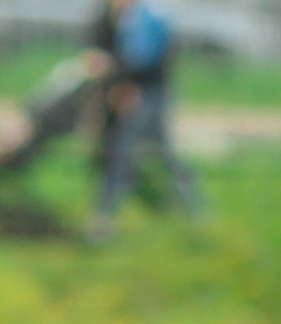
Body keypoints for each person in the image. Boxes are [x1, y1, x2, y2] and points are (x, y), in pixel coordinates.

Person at [85, 0, 200, 239]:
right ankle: (196, 210)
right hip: (133, 93)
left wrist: (125, 83)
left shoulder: (148, 18)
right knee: (159, 152)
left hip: (145, 95)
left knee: (121, 151)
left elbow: (145, 60)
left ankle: (103, 218)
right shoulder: (116, 16)